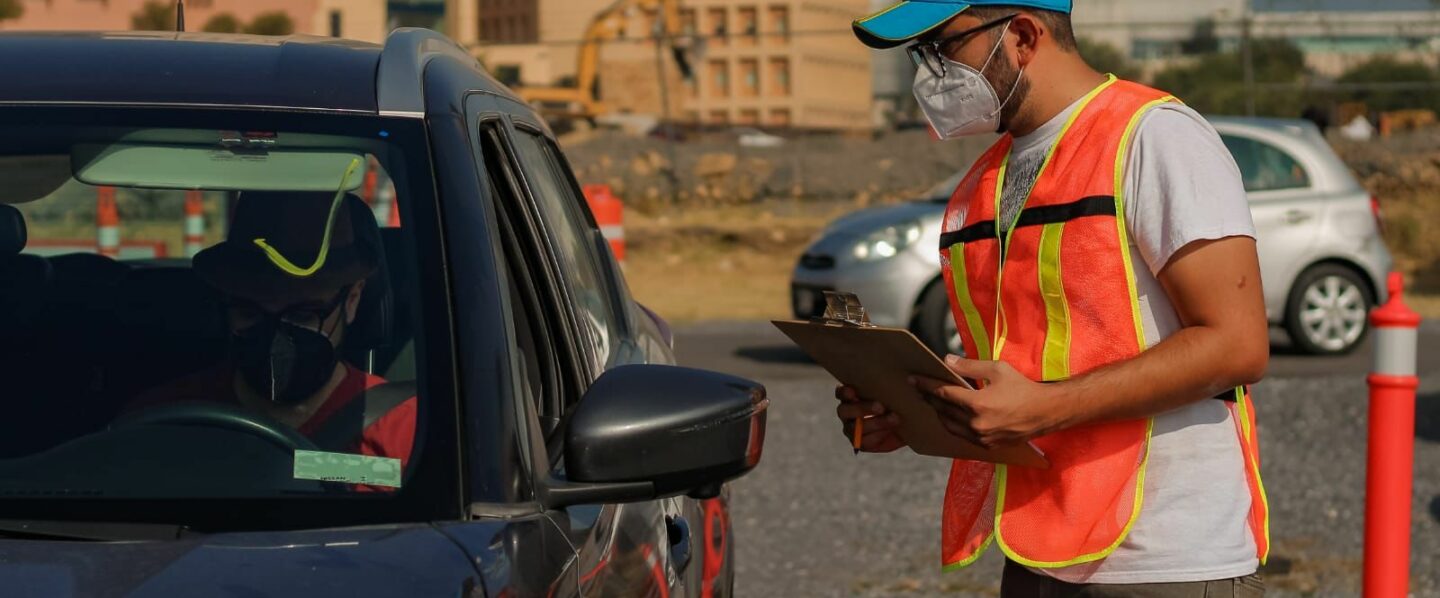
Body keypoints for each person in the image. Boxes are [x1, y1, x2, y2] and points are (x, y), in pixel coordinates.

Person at [839, 1, 1270, 595]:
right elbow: (1023, 373)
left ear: (1020, 36)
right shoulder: (984, 182)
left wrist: (1041, 407)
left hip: (1167, 559)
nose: (930, 72)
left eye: (943, 46)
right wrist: (914, 417)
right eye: (921, 54)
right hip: (1037, 552)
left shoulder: (1155, 136)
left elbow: (1237, 345)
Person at [130, 191, 416, 469]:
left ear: (351, 301)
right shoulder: (162, 420)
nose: (276, 337)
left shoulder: (405, 429)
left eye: (304, 314)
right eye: (249, 312)